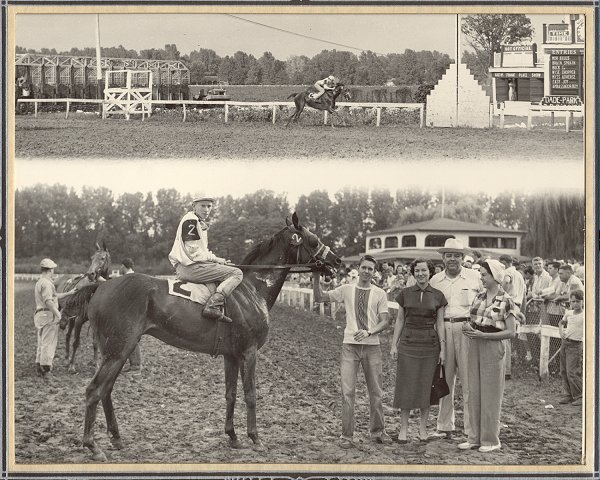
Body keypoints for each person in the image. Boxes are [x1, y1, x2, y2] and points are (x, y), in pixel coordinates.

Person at [313, 255, 392, 448]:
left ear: (374, 272)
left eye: (370, 269)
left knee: (376, 391)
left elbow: (385, 320)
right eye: (364, 268)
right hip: (350, 346)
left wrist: (369, 331)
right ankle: (346, 436)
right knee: (347, 392)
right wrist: (315, 276)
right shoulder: (347, 289)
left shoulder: (380, 293)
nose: (366, 271)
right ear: (359, 268)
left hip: (372, 347)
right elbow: (320, 297)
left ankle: (378, 431)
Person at [459, 259, 517, 453]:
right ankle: (474, 437)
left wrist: (485, 335)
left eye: (484, 275)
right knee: (474, 390)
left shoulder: (506, 300)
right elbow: (473, 320)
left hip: (493, 344)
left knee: (491, 394)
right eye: (481, 274)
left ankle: (491, 440)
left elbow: (511, 332)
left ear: (495, 276)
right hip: (475, 342)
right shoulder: (479, 296)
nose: (481, 278)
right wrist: (469, 327)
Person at [429, 238, 482, 440]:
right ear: (443, 258)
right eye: (448, 255)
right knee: (445, 379)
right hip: (443, 329)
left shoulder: (475, 277)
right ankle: (444, 426)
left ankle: (471, 429)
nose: (453, 259)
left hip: (468, 329)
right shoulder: (435, 280)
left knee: (469, 382)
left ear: (463, 257)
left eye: (457, 255)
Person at [390, 258, 447, 442]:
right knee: (406, 386)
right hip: (408, 343)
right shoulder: (405, 294)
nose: (421, 274)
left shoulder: (438, 295)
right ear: (413, 273)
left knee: (425, 387)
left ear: (430, 272)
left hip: (430, 346)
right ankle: (403, 430)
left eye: (424, 270)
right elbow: (399, 320)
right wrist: (394, 344)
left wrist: (443, 349)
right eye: (417, 271)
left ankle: (423, 430)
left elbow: (440, 323)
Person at [168, 196, 243, 323]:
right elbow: (194, 253)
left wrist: (219, 260)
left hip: (189, 267)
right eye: (203, 206)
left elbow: (202, 251)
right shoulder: (191, 220)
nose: (206, 209)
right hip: (190, 268)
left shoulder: (198, 221)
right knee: (236, 273)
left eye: (209, 206)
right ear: (194, 206)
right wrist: (216, 259)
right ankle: (212, 306)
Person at [34, 258, 76, 377]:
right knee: (49, 342)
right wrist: (58, 314)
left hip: (40, 314)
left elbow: (54, 296)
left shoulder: (40, 282)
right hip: (49, 315)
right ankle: (46, 369)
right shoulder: (47, 283)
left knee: (41, 341)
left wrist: (69, 293)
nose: (53, 272)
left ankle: (38, 365)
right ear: (50, 270)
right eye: (53, 270)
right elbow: (49, 301)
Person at [498, 254, 526, 380]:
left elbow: (506, 281)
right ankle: (506, 369)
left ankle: (505, 370)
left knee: (505, 337)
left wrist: (499, 293)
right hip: (517, 305)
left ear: (504, 262)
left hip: (510, 304)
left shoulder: (508, 271)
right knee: (508, 337)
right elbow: (524, 294)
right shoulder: (519, 274)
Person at [557, 290, 584, 406]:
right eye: (573, 301)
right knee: (563, 371)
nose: (575, 304)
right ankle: (568, 394)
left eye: (578, 301)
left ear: (582, 301)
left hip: (576, 345)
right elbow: (561, 323)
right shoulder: (568, 313)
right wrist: (561, 332)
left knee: (572, 372)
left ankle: (579, 395)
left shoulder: (585, 315)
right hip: (565, 343)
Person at [120, 257, 142, 373]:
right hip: (134, 311)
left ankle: (135, 365)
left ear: (124, 266)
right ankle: (134, 364)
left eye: (121, 266)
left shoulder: (128, 278)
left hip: (130, 312)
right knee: (131, 338)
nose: (120, 268)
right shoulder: (134, 276)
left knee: (131, 338)